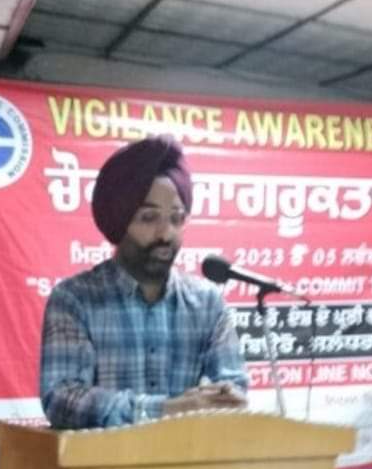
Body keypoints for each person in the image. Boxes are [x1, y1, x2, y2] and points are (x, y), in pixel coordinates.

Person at [40, 135, 248, 429]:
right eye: (148, 218)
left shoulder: (207, 302)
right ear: (119, 222)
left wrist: (225, 397)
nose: (166, 233)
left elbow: (234, 388)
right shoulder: (75, 299)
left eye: (176, 218)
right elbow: (62, 398)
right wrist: (164, 409)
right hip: (105, 460)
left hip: (191, 458)